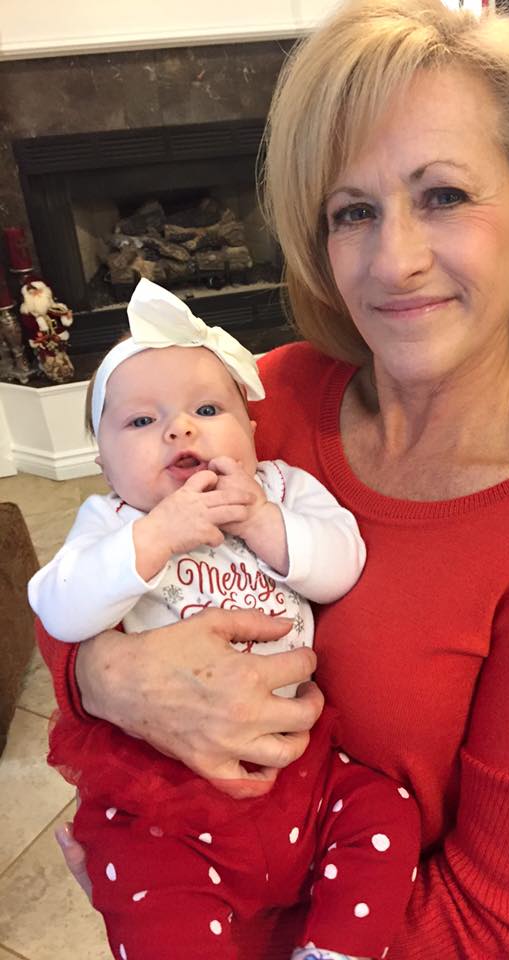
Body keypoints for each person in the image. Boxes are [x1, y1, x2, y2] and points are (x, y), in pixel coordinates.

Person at [38, 1, 509, 957]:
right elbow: (85, 576)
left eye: (443, 195)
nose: (393, 261)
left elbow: (493, 923)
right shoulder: (263, 404)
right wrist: (105, 679)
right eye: (353, 211)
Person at [29, 278, 420, 960]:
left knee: (385, 813)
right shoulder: (113, 522)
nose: (180, 429)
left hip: (300, 769)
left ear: (252, 434)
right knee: (154, 894)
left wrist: (263, 521)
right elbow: (59, 608)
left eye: (208, 409)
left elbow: (343, 565)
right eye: (140, 422)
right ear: (103, 463)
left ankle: (334, 951)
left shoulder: (283, 489)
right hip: (163, 787)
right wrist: (156, 535)